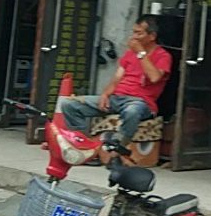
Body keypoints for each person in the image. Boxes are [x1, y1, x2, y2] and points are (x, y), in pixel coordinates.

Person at [60, 14, 172, 150]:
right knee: (69, 104)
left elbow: (154, 77)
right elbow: (117, 78)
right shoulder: (130, 53)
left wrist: (141, 53)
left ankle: (119, 146)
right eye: (134, 32)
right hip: (116, 98)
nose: (134, 37)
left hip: (140, 102)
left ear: (152, 36)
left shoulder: (163, 56)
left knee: (132, 112)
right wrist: (105, 94)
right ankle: (82, 144)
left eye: (139, 33)